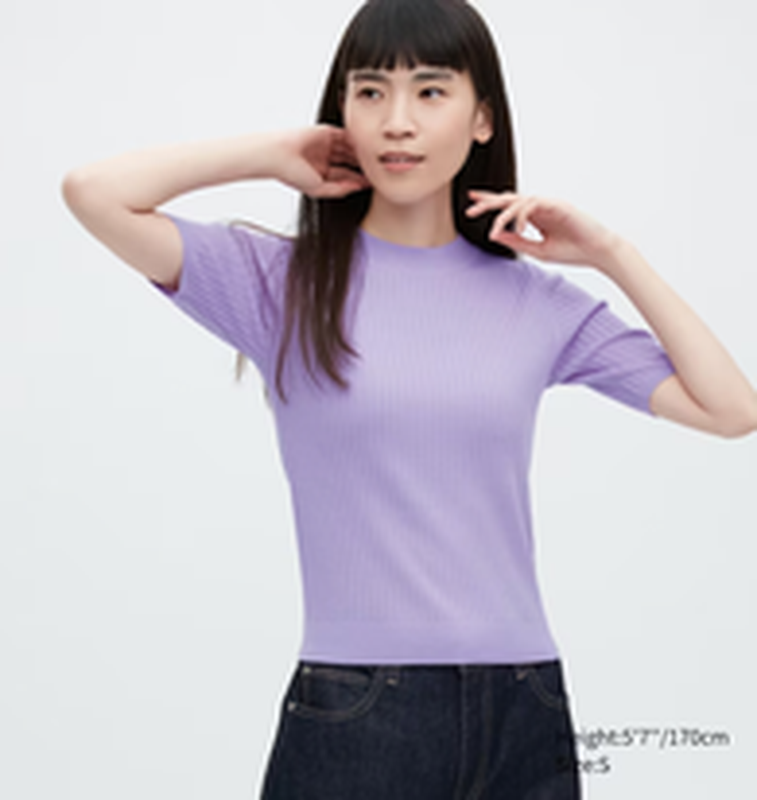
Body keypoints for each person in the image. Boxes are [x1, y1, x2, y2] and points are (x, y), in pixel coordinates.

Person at [61, 0, 757, 797]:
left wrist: (611, 253)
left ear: (482, 117)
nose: (396, 121)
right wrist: (271, 154)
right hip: (357, 708)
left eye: (429, 91)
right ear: (342, 112)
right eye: (370, 92)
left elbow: (731, 410)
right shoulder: (279, 283)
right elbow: (92, 192)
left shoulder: (536, 303)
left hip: (525, 700)